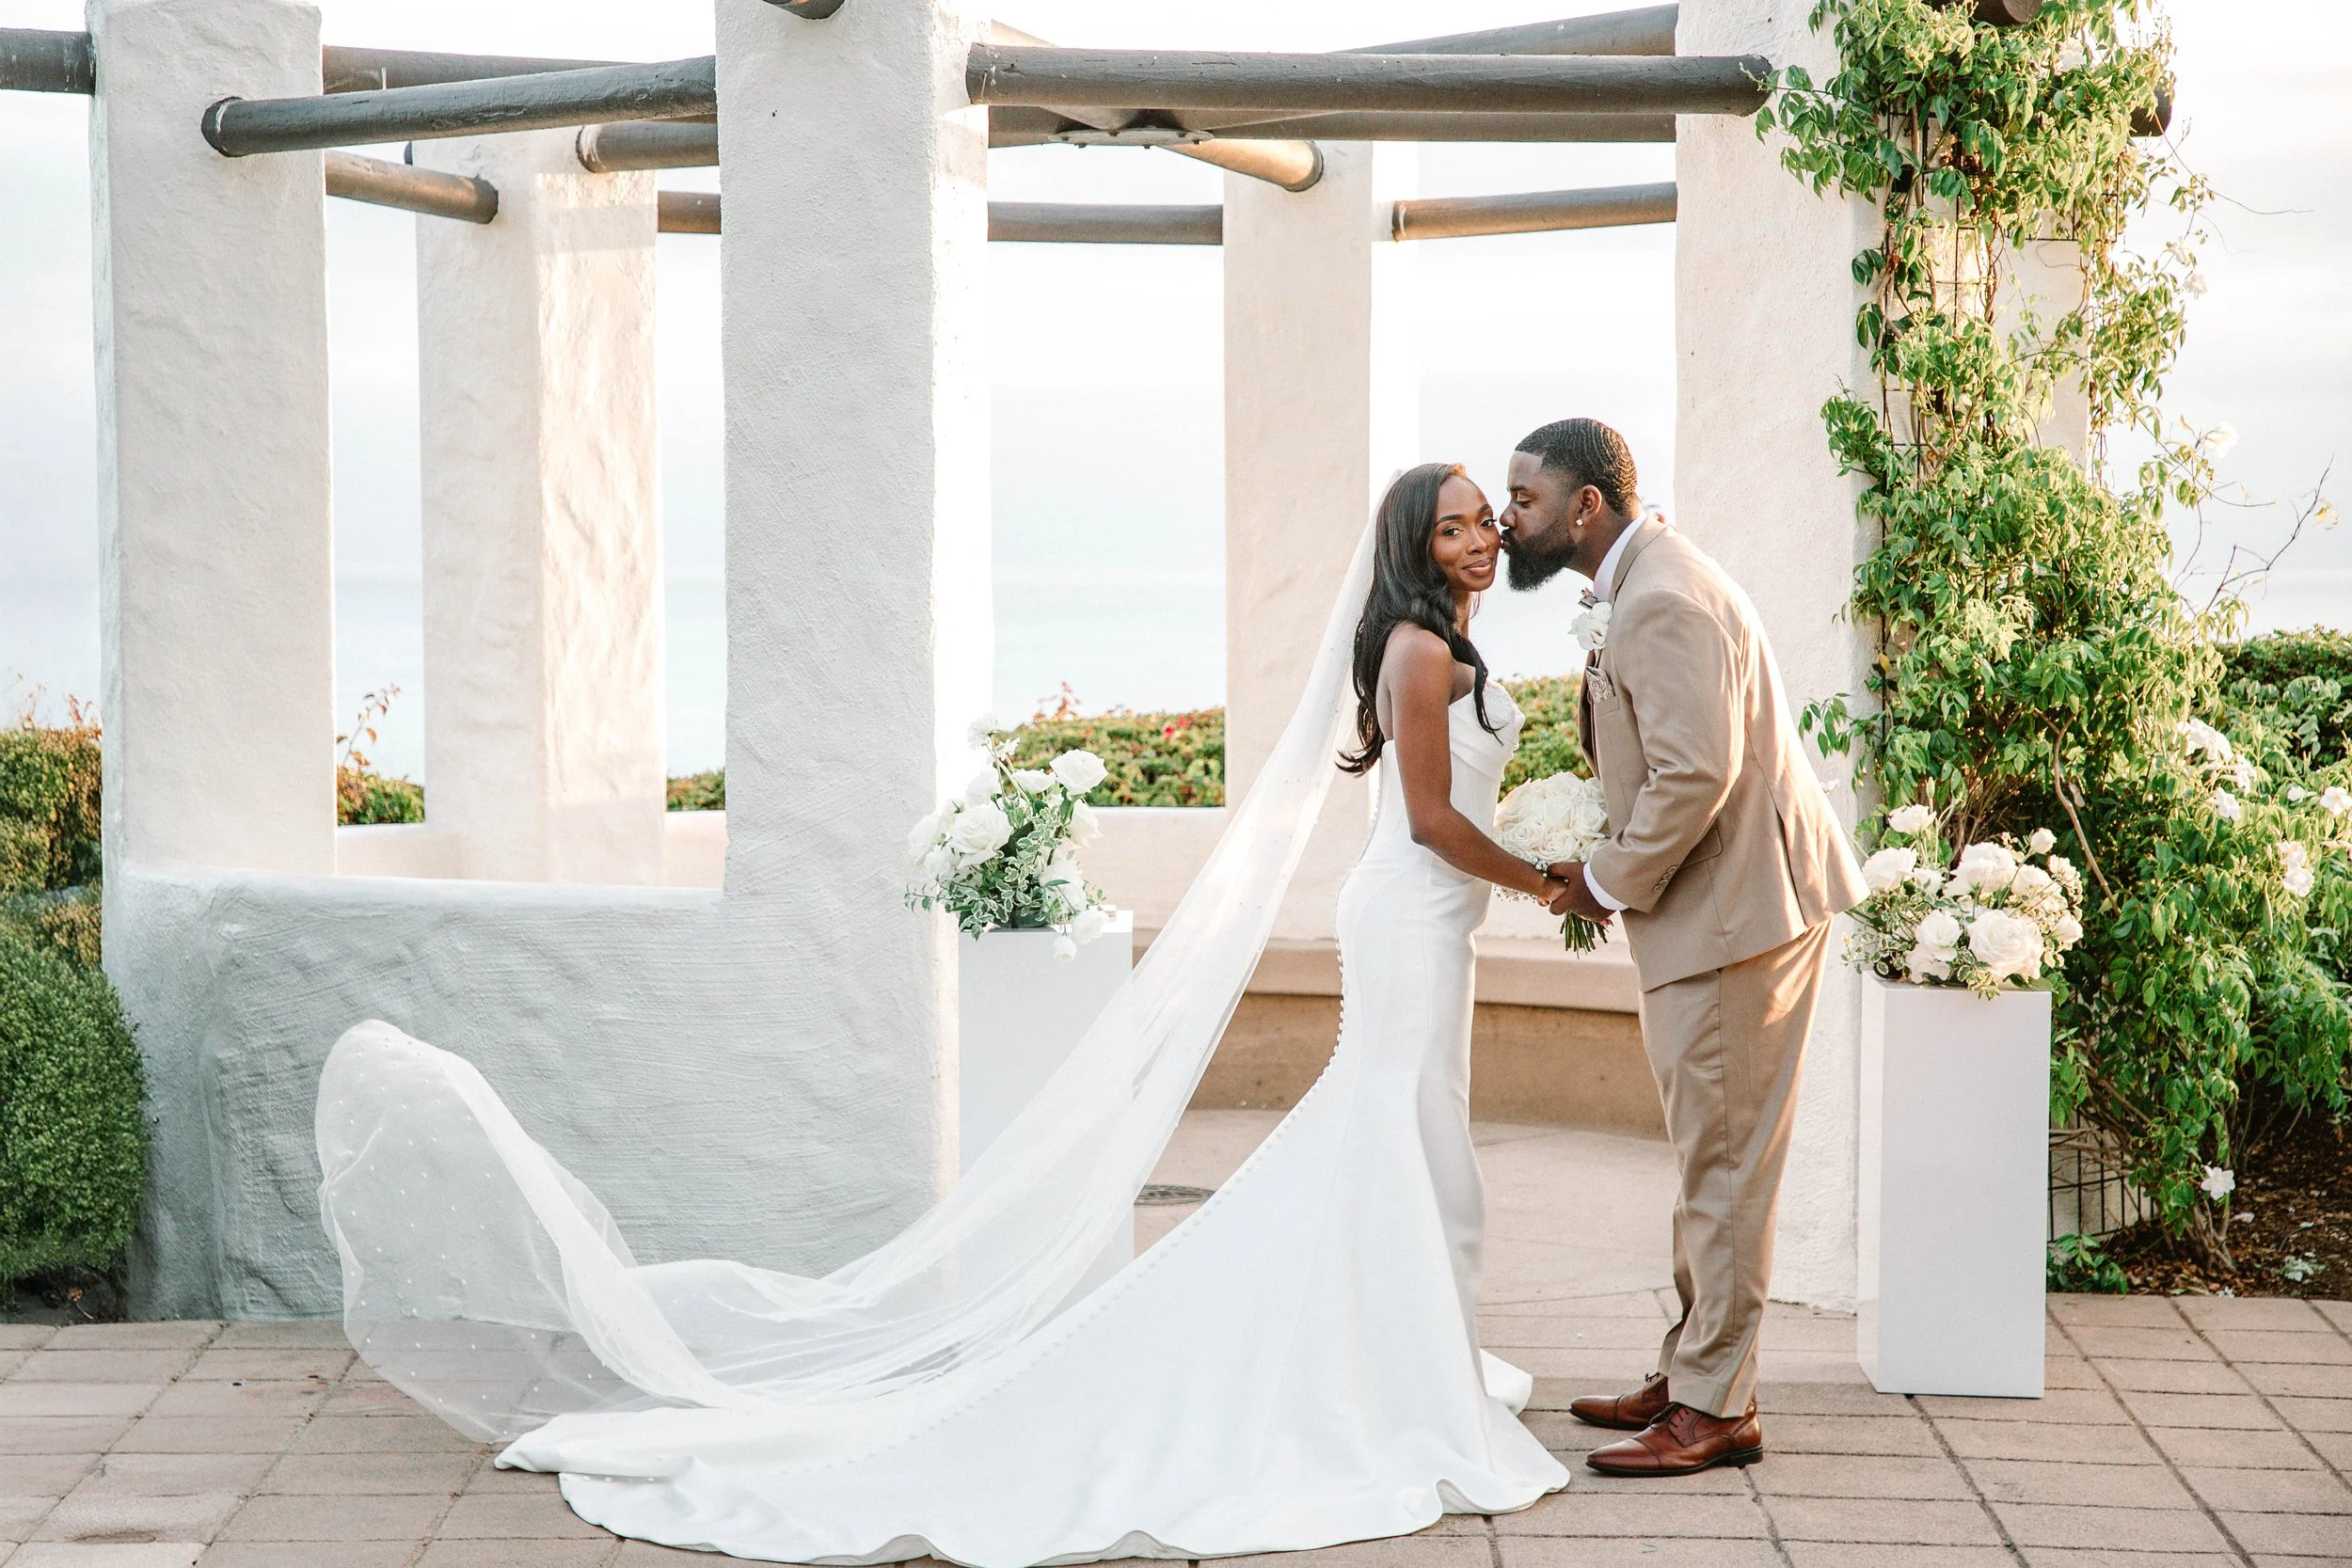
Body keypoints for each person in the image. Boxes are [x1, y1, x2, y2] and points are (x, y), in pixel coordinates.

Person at [314, 462, 1572, 1565]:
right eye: (1455, 524)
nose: (1479, 538)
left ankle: (1406, 1353)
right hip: (1413, 916)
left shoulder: (1452, 649)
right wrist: (1551, 876)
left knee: (1415, 1141)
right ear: (1416, 546)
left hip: (1431, 920)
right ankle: (1393, 1371)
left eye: (1484, 523)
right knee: (1395, 1135)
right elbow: (1433, 822)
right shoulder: (1417, 652)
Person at [1499, 418, 1866, 1478]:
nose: (1509, 515)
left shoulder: (1659, 597)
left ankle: (1716, 1408)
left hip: (1732, 914)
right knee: (1711, 1151)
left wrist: (1602, 877)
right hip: (1725, 906)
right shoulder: (1647, 577)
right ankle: (1693, 1367)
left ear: (1585, 506)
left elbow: (1692, 774)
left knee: (1725, 1163)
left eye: (1524, 497)